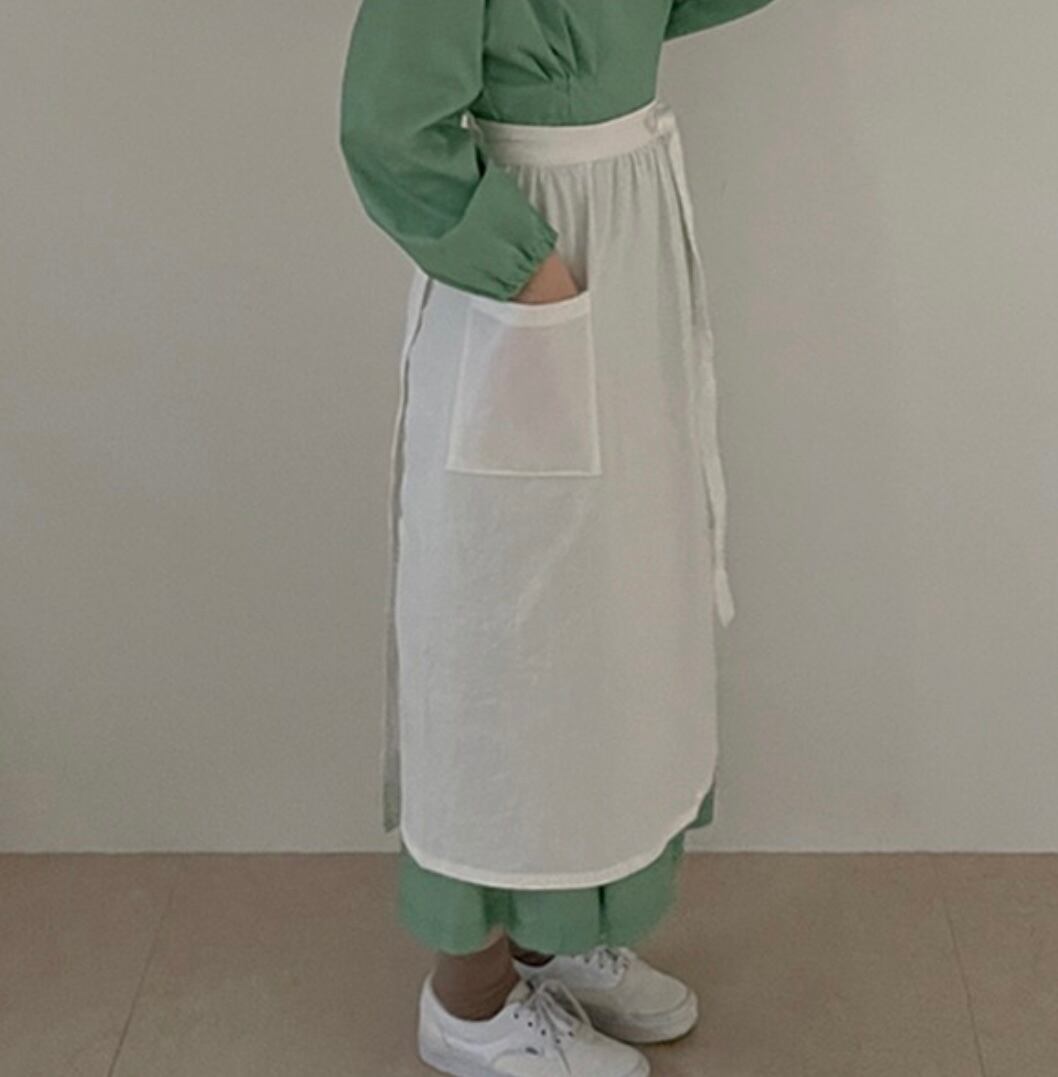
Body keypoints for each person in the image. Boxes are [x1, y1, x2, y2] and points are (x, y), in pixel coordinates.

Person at [339, 2, 776, 1073]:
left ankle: (552, 931)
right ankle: (470, 1003)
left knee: (608, 621)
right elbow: (388, 126)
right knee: (502, 641)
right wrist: (527, 269)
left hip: (625, 255)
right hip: (525, 269)